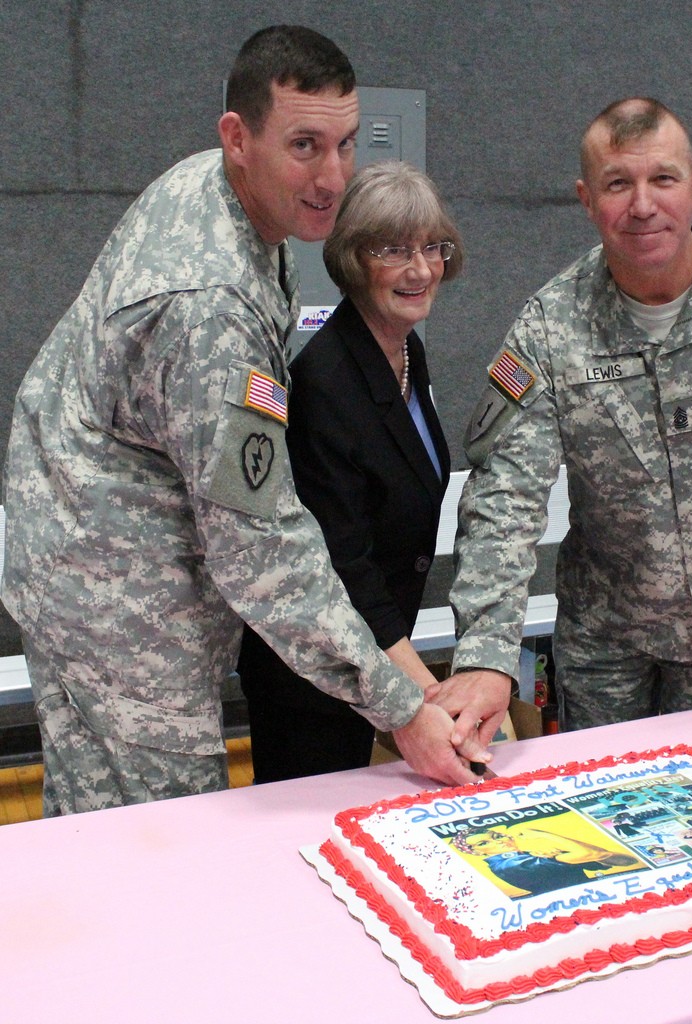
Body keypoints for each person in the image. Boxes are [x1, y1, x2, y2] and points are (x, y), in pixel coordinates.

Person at [0, 25, 486, 816]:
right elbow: (258, 545)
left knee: (102, 830)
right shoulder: (209, 311)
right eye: (304, 146)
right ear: (237, 137)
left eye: (345, 144)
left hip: (93, 553)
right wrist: (400, 708)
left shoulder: (226, 197)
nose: (332, 178)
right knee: (160, 837)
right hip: (119, 605)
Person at [434, 97, 692, 741]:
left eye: (662, 179)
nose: (642, 205)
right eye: (617, 184)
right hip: (608, 644)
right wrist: (489, 653)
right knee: (605, 811)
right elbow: (505, 496)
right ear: (585, 198)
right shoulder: (553, 326)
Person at [236, 161, 462, 780]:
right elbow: (344, 562)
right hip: (315, 671)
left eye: (431, 248)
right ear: (354, 259)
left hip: (375, 653)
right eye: (394, 250)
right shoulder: (327, 380)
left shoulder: (405, 349)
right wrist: (426, 693)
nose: (420, 270)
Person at [450, 825, 638, 897]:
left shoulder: (529, 852)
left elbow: (626, 861)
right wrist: (544, 834)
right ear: (475, 852)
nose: (498, 841)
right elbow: (594, 855)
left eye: (496, 835)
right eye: (485, 842)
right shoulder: (510, 865)